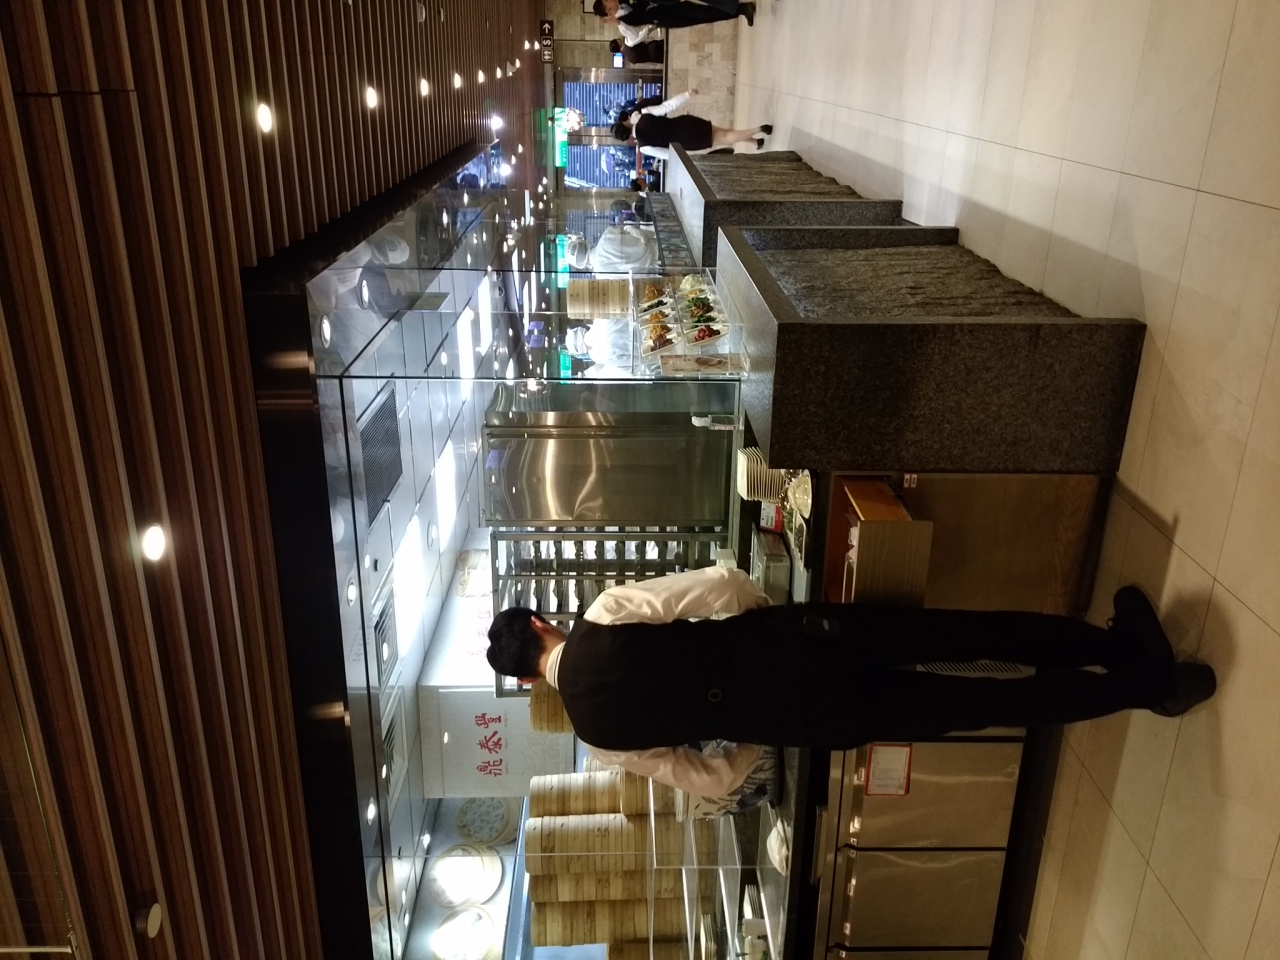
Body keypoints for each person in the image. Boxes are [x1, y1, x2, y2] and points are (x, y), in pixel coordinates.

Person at [485, 567, 1217, 792]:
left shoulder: (598, 740)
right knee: (970, 635)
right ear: (543, 623)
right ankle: (1116, 647)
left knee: (986, 703)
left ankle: (1142, 689)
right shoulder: (603, 615)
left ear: (527, 683)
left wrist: (752, 728)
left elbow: (712, 778)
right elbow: (721, 586)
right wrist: (761, 616)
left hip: (814, 718)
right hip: (809, 643)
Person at [612, 89, 772, 160]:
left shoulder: (644, 147)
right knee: (723, 132)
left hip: (687, 141)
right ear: (624, 123)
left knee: (726, 138)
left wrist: (692, 159)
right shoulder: (643, 114)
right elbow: (667, 106)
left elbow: (669, 155)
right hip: (684, 123)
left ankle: (759, 129)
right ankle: (755, 141)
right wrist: (686, 95)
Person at [594, 0, 756, 30]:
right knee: (706, 16)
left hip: (671, 4)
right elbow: (634, 33)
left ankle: (742, 9)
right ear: (608, 10)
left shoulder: (623, 1)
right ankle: (742, 10)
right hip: (669, 18)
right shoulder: (626, 20)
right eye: (607, 2)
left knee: (705, 12)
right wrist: (617, 22)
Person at [564, 225, 660, 274]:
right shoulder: (607, 235)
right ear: (584, 243)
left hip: (659, 271)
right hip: (659, 246)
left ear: (581, 265)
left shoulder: (601, 276)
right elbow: (635, 231)